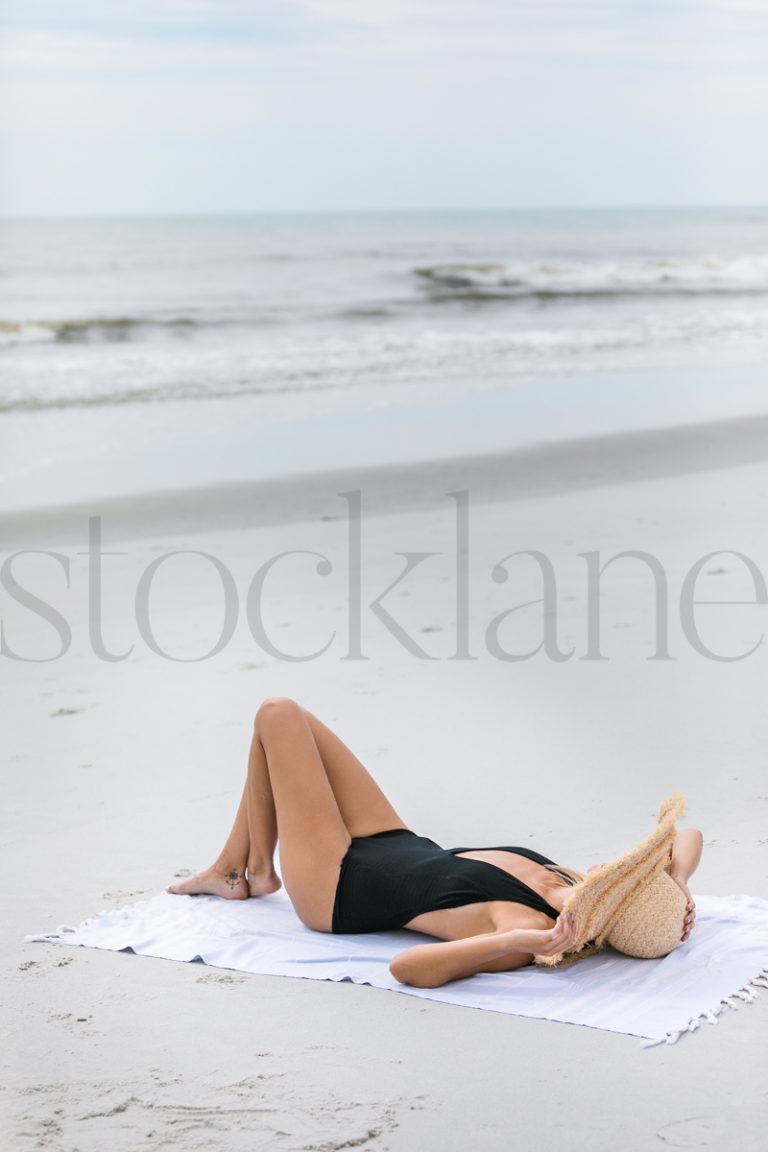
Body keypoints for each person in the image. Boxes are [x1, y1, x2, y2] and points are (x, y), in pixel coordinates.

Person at [167, 697, 702, 988]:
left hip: (338, 885)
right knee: (293, 724)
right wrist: (676, 882)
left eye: (625, 877)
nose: (615, 865)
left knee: (276, 715)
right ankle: (245, 870)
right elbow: (689, 835)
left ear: (613, 904)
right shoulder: (568, 879)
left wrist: (514, 948)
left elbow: (407, 970)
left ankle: (245, 869)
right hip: (391, 839)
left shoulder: (531, 928)